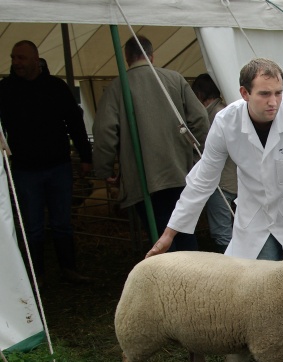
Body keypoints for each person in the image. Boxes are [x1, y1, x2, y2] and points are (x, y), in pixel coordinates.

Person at [145, 58, 283, 362]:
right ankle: (242, 345)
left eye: (278, 92)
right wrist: (168, 235)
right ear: (244, 93)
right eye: (264, 94)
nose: (273, 101)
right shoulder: (226, 122)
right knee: (250, 281)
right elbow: (203, 178)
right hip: (255, 215)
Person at [92, 35, 210, 250]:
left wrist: (105, 169)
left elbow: (104, 131)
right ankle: (192, 269)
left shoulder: (117, 87)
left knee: (159, 233)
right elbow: (201, 118)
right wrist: (194, 156)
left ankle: (169, 271)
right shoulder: (175, 79)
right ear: (152, 55)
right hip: (178, 171)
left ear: (127, 58)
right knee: (183, 228)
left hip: (143, 177)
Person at [0, 40, 93, 285]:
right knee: (33, 227)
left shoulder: (56, 87)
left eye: (21, 58)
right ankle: (36, 275)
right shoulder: (5, 89)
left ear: (35, 59)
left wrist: (85, 156)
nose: (16, 62)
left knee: (62, 222)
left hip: (58, 166)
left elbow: (75, 122)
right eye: (13, 57)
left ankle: (68, 269)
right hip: (25, 168)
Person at [191, 73, 238, 253]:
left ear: (200, 94)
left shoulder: (215, 115)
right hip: (234, 179)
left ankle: (229, 264)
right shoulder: (225, 110)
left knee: (222, 232)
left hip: (221, 182)